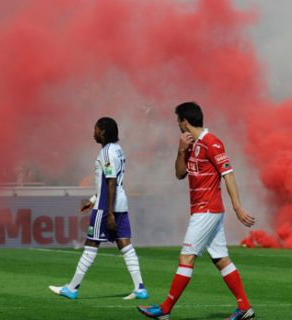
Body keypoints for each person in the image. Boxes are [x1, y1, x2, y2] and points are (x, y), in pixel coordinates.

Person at [138, 102, 256, 320]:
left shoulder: (212, 143)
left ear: (185, 121)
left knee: (186, 257)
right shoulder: (191, 144)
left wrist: (237, 206)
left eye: (177, 121)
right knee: (220, 259)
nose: (177, 125)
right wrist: (181, 150)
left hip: (207, 210)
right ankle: (245, 307)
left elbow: (228, 174)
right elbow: (180, 174)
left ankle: (165, 309)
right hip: (202, 210)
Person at [49, 117, 149, 300]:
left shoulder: (106, 153)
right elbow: (112, 182)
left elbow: (110, 183)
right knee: (125, 245)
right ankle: (140, 288)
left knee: (91, 245)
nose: (93, 132)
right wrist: (93, 198)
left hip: (106, 208)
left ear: (102, 131)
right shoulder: (118, 150)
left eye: (95, 129)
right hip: (120, 203)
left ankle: (72, 288)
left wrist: (108, 212)